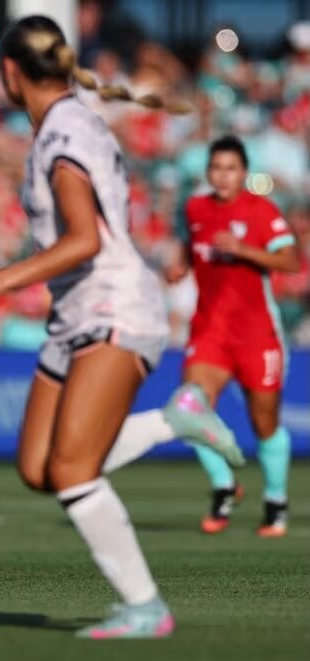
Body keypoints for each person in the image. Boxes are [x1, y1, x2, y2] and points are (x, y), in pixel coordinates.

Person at [0, 15, 187, 638]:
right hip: (74, 314)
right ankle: (172, 422)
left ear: (9, 73)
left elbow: (84, 239)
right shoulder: (70, 119)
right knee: (40, 468)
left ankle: (146, 607)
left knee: (74, 472)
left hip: (114, 309)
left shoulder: (61, 136)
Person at [101, 136, 299, 537]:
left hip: (257, 335)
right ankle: (225, 485)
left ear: (244, 173)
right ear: (208, 172)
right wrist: (180, 265)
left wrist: (244, 249)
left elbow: (291, 260)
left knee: (265, 424)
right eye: (216, 168)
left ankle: (275, 499)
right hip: (209, 330)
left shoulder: (260, 211)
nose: (223, 176)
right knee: (188, 409)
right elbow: (193, 247)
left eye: (231, 169)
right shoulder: (196, 208)